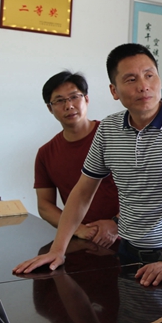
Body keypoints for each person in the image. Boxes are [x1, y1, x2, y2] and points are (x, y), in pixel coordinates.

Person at [15, 43, 162, 287]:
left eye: (149, 75)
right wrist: (58, 250)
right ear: (114, 91)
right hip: (128, 251)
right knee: (131, 312)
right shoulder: (108, 128)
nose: (143, 86)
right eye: (131, 79)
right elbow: (82, 192)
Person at [35, 71, 120, 247]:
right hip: (85, 241)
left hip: (129, 236)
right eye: (59, 101)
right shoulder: (45, 153)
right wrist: (78, 229)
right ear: (50, 108)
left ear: (86, 99)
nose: (69, 105)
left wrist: (116, 223)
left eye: (74, 97)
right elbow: (44, 205)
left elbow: (145, 190)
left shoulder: (115, 137)